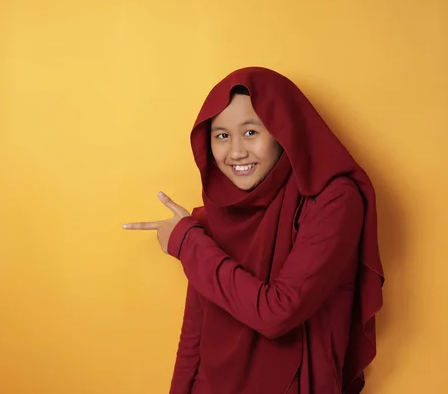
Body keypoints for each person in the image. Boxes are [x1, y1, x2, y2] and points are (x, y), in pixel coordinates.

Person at [123, 66, 385, 394]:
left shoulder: (334, 200)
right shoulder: (215, 213)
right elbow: (195, 333)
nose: (236, 152)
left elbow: (278, 312)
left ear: (283, 131)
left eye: (251, 132)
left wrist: (187, 243)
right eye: (222, 135)